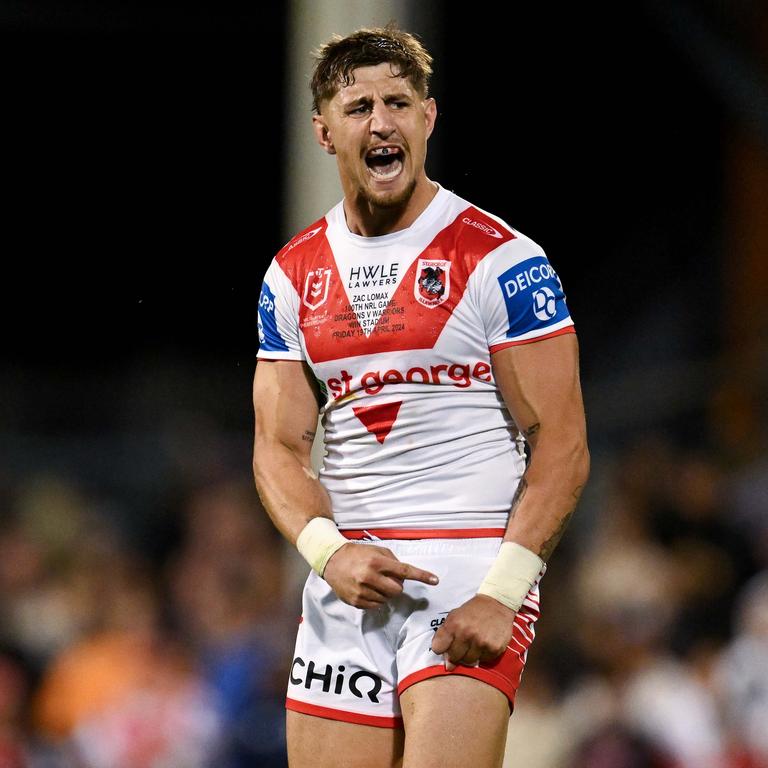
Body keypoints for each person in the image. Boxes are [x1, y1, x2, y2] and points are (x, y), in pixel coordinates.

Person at [252, 24, 589, 768]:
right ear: (323, 131)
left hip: (468, 571)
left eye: (399, 103)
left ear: (427, 118)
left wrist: (503, 592)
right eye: (359, 106)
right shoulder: (290, 274)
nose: (382, 122)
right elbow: (276, 447)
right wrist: (326, 551)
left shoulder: (502, 260)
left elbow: (562, 446)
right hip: (351, 579)